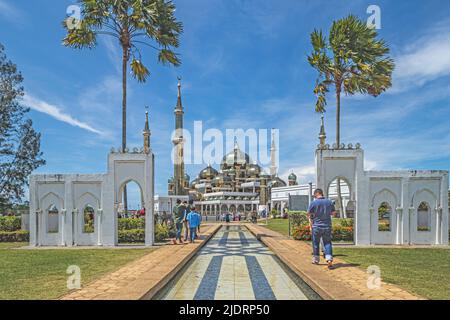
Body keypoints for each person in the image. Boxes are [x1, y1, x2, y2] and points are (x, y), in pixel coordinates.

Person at [307, 188, 336, 269]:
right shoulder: (329, 202)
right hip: (327, 226)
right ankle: (329, 259)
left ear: (316, 194)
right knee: (327, 243)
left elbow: (309, 214)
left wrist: (313, 219)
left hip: (316, 226)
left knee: (316, 243)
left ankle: (316, 259)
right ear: (322, 193)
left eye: (314, 195)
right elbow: (333, 213)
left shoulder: (313, 203)